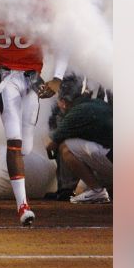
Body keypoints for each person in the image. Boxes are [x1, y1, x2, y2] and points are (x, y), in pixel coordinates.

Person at [0, 0, 53, 226]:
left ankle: (14, 177)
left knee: (26, 146)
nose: (11, 2)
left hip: (32, 79)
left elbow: (63, 43)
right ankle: (23, 205)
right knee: (15, 141)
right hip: (6, 77)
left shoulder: (40, 7)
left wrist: (59, 78)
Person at [45, 75, 113, 203]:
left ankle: (97, 191)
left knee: (66, 147)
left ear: (63, 102)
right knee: (80, 190)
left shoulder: (75, 113)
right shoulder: (99, 103)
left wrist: (41, 131)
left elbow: (49, 145)